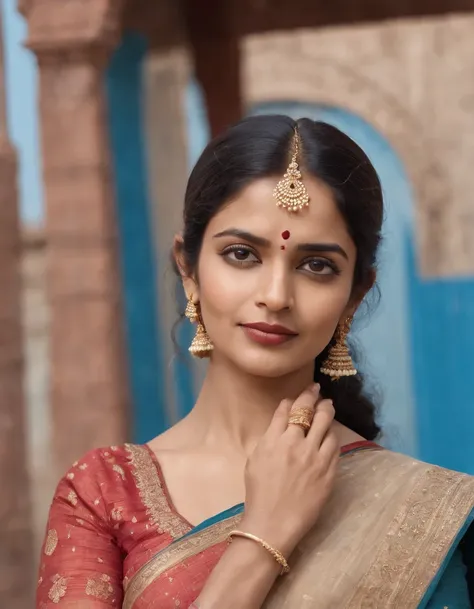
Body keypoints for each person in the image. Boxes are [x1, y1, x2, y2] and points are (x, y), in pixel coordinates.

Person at [37, 115, 474, 608]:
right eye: (242, 254)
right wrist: (262, 540)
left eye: (317, 266)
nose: (275, 295)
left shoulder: (424, 513)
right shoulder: (102, 494)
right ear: (189, 269)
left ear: (354, 295)